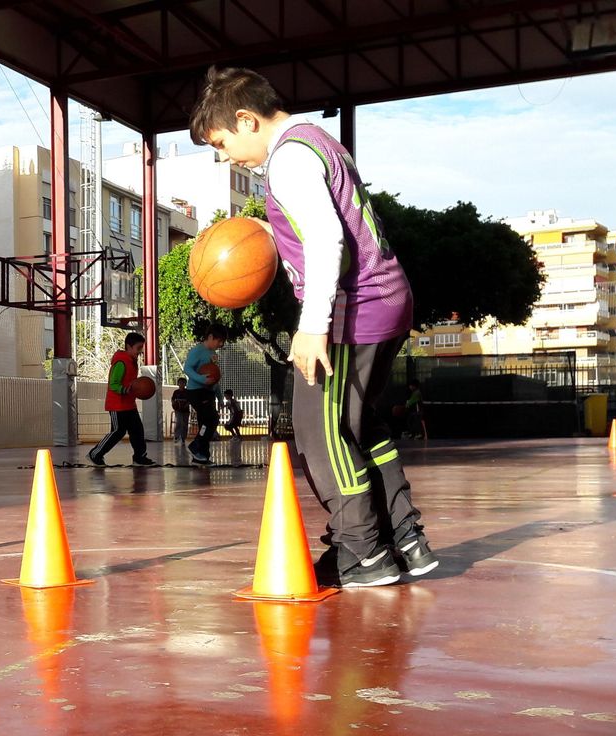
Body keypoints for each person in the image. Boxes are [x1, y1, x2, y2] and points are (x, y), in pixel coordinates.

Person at [191, 65, 435, 587]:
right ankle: (404, 540)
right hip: (386, 301)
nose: (225, 155)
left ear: (245, 119)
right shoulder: (316, 141)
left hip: (354, 311)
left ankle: (363, 553)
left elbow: (327, 239)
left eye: (221, 141)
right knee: (357, 426)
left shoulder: (289, 159)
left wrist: (313, 325)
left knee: (318, 435)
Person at [88, 332, 155, 467]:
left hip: (129, 404)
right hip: (117, 405)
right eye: (138, 348)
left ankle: (139, 457)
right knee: (118, 431)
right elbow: (113, 384)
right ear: (129, 347)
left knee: (137, 430)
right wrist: (126, 390)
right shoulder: (121, 362)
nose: (140, 351)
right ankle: (95, 454)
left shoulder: (132, 361)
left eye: (142, 348)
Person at [183, 325, 226, 464]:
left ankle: (201, 456)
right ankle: (196, 445)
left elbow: (214, 376)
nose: (221, 344)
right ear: (210, 337)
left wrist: (219, 396)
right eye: (219, 341)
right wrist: (202, 379)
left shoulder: (213, 354)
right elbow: (187, 368)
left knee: (205, 424)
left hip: (208, 392)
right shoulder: (197, 351)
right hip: (196, 391)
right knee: (212, 419)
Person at [170, 377, 191, 444]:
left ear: (185, 384)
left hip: (186, 411)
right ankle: (176, 436)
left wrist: (187, 404)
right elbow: (173, 399)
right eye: (180, 383)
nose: (181, 384)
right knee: (179, 422)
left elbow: (190, 400)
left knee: (185, 424)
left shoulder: (187, 392)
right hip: (178, 410)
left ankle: (183, 438)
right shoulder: (176, 392)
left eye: (183, 383)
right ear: (178, 384)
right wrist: (173, 403)